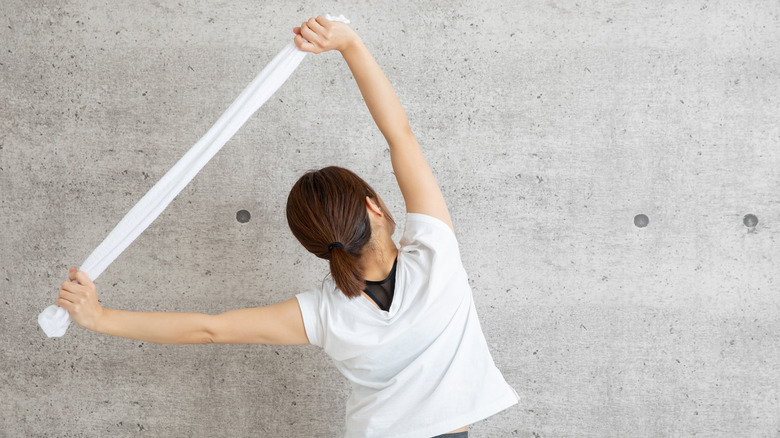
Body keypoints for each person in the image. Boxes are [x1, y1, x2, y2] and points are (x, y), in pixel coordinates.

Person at [55, 16, 519, 438]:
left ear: (316, 245)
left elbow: (210, 330)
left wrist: (99, 318)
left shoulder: (326, 313)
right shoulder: (437, 254)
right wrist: (350, 45)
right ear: (373, 205)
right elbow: (400, 134)